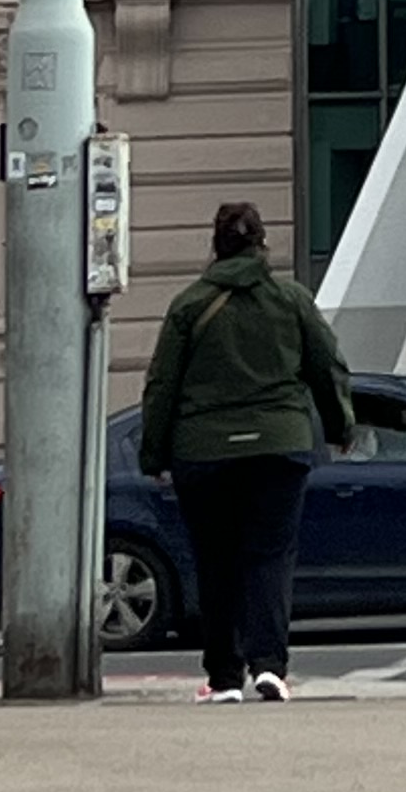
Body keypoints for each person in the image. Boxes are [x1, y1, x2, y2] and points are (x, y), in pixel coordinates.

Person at [138, 199, 354, 704]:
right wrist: (340, 426)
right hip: (279, 447)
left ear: (215, 246)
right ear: (263, 244)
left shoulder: (190, 304)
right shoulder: (291, 300)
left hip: (204, 452)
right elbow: (327, 367)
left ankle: (224, 677)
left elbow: (162, 384)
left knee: (215, 561)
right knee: (270, 556)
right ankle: (270, 667)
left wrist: (155, 455)